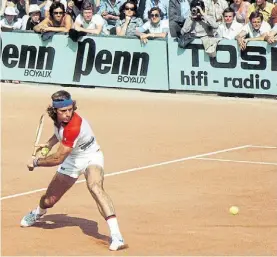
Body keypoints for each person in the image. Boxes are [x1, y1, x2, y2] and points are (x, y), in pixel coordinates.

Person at [20, 90, 126, 251]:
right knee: (49, 200)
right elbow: (58, 134)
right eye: (63, 111)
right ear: (55, 110)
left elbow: (58, 159)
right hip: (72, 160)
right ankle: (38, 212)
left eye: (71, 109)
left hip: (91, 156)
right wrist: (49, 144)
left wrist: (35, 162)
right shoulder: (58, 120)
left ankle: (117, 236)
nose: (68, 114)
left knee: (95, 187)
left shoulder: (73, 126)